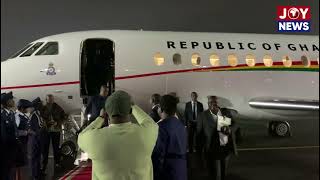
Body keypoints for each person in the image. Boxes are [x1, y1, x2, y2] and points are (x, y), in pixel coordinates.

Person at [78, 90, 158, 180]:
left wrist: (100, 118)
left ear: (107, 113)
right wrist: (133, 106)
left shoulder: (94, 138)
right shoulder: (147, 133)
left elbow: (82, 135)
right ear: (129, 110)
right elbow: (150, 122)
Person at [196, 96, 237, 180]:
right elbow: (199, 135)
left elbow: (234, 125)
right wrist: (199, 152)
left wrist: (230, 129)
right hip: (210, 149)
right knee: (212, 172)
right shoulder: (202, 115)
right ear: (207, 104)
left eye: (214, 102)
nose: (213, 104)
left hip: (224, 148)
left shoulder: (225, 113)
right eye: (210, 102)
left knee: (223, 172)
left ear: (218, 103)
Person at [152, 95, 188, 180]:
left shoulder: (161, 127)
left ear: (161, 109)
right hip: (181, 170)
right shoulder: (181, 125)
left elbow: (158, 155)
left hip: (168, 172)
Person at [41, 94, 68, 173]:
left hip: (56, 131)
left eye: (51, 99)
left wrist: (58, 123)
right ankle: (44, 165)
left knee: (56, 148)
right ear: (46, 100)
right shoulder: (42, 108)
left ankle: (57, 163)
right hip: (46, 131)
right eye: (49, 99)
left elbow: (64, 117)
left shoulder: (58, 107)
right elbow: (40, 118)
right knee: (45, 149)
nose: (50, 101)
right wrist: (46, 123)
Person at [15, 99, 34, 180]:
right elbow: (15, 132)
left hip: (25, 145)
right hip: (19, 146)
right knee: (19, 167)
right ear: (22, 108)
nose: (28, 109)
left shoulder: (24, 115)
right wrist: (26, 132)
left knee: (24, 165)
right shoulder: (17, 117)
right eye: (27, 108)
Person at [1, 92, 17, 180]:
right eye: (11, 100)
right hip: (5, 150)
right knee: (5, 172)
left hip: (11, 149)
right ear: (6, 102)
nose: (13, 101)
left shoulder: (10, 114)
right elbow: (3, 135)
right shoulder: (2, 115)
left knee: (10, 171)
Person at [29, 97, 43, 180]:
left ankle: (38, 172)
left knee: (38, 156)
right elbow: (35, 127)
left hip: (38, 137)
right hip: (34, 138)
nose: (41, 104)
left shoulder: (38, 113)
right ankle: (34, 175)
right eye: (40, 103)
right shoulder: (34, 115)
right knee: (34, 156)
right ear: (37, 105)